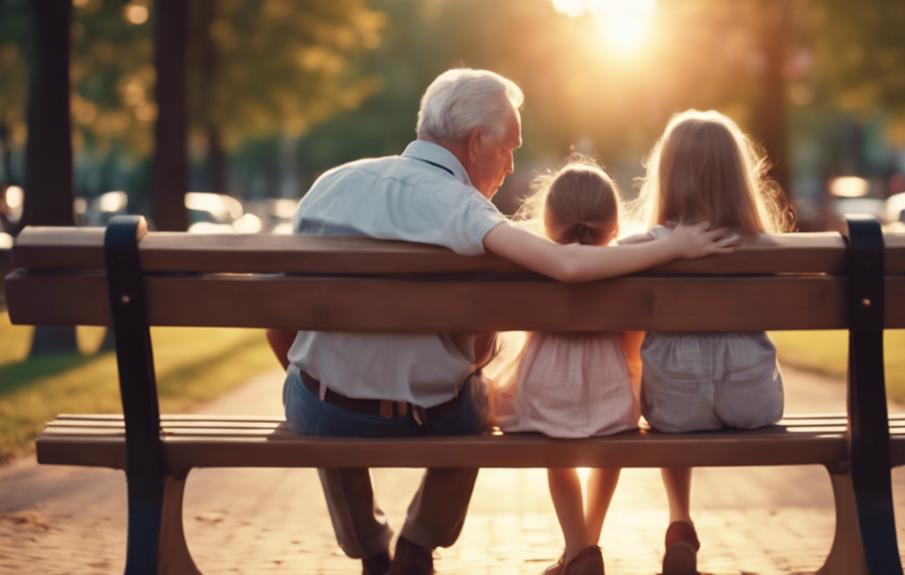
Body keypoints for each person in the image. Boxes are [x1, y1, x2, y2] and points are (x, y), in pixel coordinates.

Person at [266, 70, 737, 575]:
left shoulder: (330, 185)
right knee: (482, 400)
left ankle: (369, 549)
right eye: (509, 149)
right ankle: (420, 543)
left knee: (317, 389)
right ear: (475, 142)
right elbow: (569, 265)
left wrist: (315, 378)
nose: (511, 167)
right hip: (427, 416)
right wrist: (674, 245)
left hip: (325, 412)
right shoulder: (464, 208)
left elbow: (282, 319)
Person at [626, 109, 792, 575]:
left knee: (662, 380)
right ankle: (681, 524)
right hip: (754, 401)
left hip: (675, 409)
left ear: (667, 175)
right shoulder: (765, 248)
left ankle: (679, 520)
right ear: (739, 178)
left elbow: (599, 261)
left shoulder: (651, 245)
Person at [493, 161, 643, 575]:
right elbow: (633, 348)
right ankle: (585, 546)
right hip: (611, 396)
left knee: (557, 452)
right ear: (612, 225)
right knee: (613, 441)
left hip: (545, 394)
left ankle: (578, 552)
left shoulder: (536, 263)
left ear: (548, 220)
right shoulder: (625, 267)